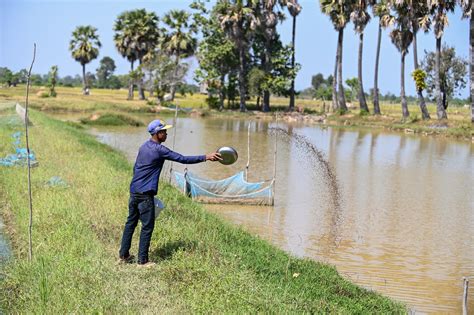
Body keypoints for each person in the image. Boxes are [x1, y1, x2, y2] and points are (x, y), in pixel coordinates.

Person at [119, 119, 221, 267]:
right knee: (147, 227)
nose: (166, 134)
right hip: (145, 194)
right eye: (164, 132)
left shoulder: (144, 147)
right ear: (158, 133)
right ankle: (143, 261)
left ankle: (123, 255)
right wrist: (206, 157)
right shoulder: (160, 150)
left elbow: (136, 168)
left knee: (131, 223)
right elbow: (182, 159)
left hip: (134, 190)